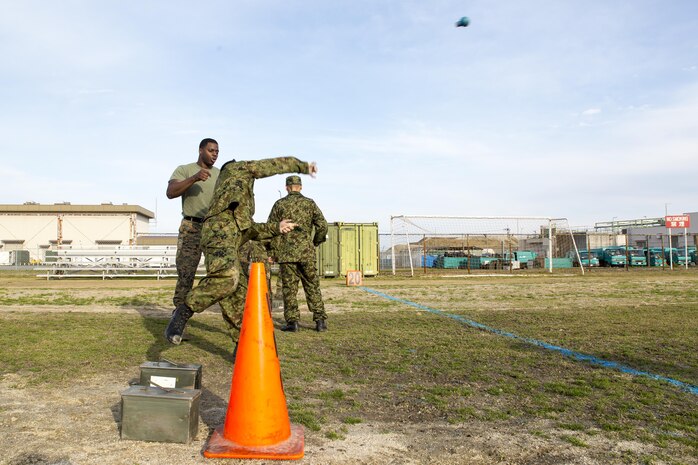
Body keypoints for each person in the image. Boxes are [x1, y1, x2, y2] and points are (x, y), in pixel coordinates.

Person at [164, 157, 318, 347]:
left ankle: (242, 344)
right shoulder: (238, 169)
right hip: (219, 232)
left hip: (232, 236)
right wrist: (302, 166)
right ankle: (184, 310)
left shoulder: (239, 206)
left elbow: (250, 229)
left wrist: (277, 227)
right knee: (228, 277)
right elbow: (272, 165)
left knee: (237, 292)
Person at [267, 175, 328, 332]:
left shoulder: (279, 204)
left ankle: (293, 322)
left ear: (287, 187)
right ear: (300, 187)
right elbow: (322, 226)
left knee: (289, 288)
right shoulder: (309, 203)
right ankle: (320, 321)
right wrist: (314, 242)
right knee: (312, 285)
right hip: (306, 252)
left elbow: (271, 228)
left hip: (286, 254)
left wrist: (271, 250)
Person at [166, 138, 220, 309]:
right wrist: (194, 178)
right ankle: (179, 321)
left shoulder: (220, 174)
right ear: (200, 150)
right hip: (191, 229)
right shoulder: (185, 170)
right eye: (211, 151)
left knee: (220, 274)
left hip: (214, 230)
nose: (215, 154)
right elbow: (171, 192)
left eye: (217, 152)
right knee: (186, 275)